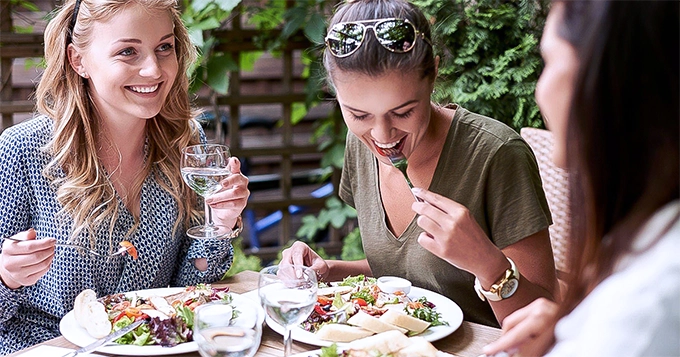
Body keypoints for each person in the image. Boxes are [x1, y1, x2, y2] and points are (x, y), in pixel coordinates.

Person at [281, 0, 559, 328]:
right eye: (358, 114)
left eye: (403, 112)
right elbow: (411, 275)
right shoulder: (360, 144)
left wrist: (488, 264)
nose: (382, 135)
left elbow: (545, 322)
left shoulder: (496, 154)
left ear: (434, 74)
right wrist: (330, 271)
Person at [0, 0, 249, 353]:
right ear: (78, 60)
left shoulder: (187, 144)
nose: (153, 69)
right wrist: (5, 277)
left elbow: (184, 294)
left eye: (164, 47)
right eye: (128, 52)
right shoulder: (22, 151)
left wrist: (220, 225)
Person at [482, 0, 680, 355]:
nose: (539, 89)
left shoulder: (644, 307)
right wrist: (573, 326)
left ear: (606, 78)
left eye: (549, 61)